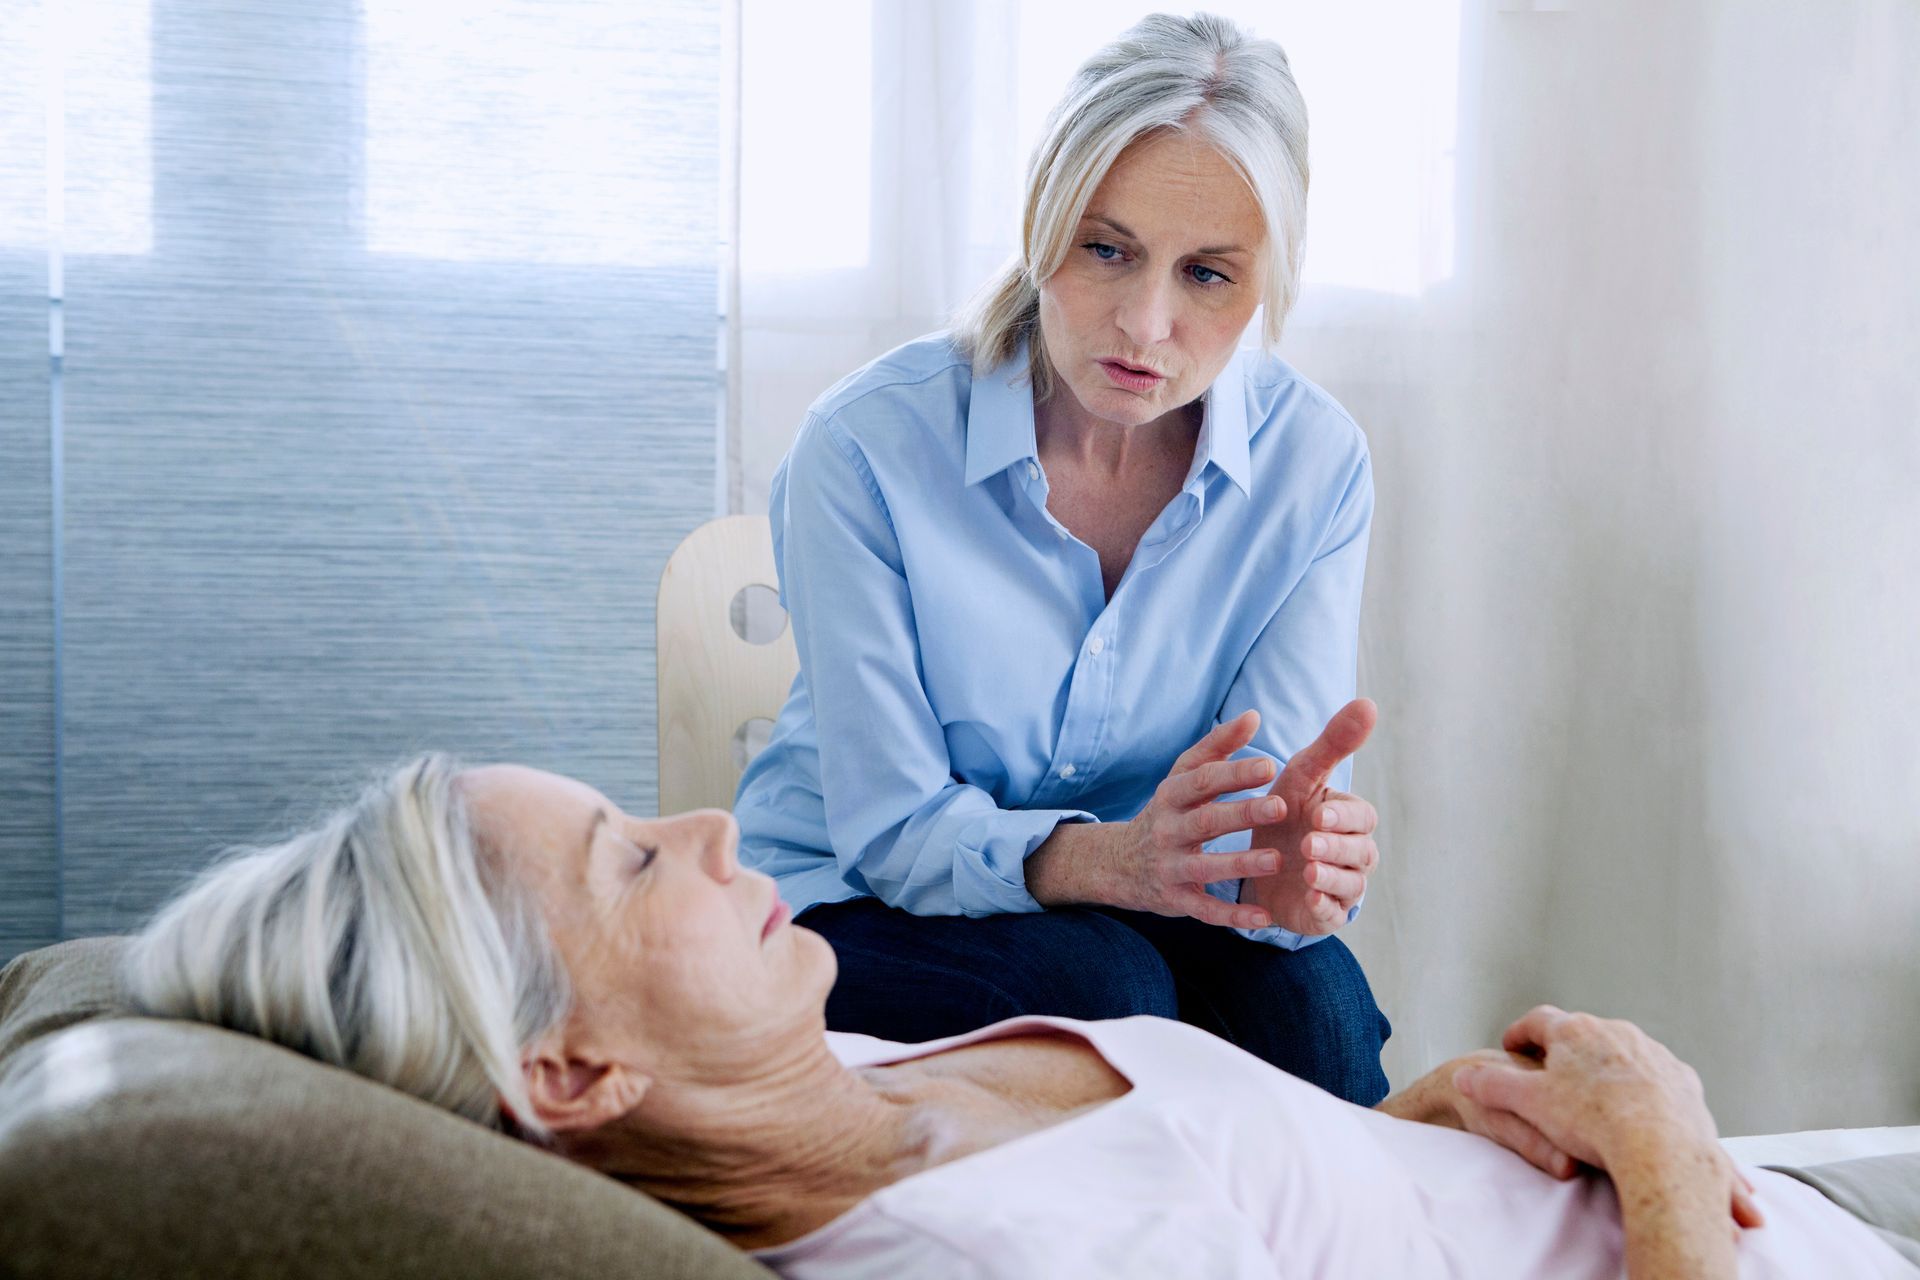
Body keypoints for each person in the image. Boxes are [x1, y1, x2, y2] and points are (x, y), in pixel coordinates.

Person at [126, 758, 1919, 1278]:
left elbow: (1252, 1196)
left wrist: (1428, 1120)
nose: (716, 826)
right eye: (630, 864)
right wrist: (1665, 1150)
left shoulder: (826, 1075)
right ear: (572, 1070)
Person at [732, 12, 1393, 1103]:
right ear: (1042, 218)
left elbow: (1261, 811)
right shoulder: (866, 447)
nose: (1145, 323)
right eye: (1107, 248)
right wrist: (1115, 859)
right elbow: (893, 828)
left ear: (1268, 279)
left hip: (1147, 907)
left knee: (1313, 1010)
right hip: (858, 898)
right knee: (1107, 987)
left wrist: (1289, 878)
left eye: (1209, 276)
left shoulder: (1314, 466)